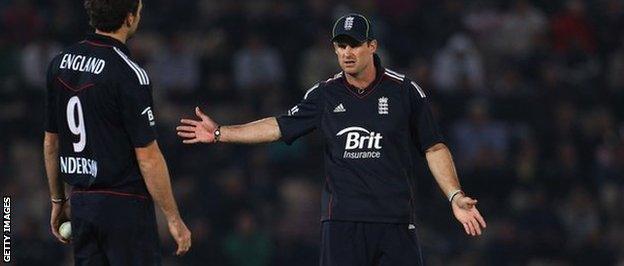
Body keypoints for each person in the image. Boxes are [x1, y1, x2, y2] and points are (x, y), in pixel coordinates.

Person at [177, 13, 485, 265]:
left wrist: (455, 197)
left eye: (354, 45)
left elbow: (434, 146)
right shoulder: (325, 94)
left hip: (395, 221)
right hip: (342, 224)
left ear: (372, 46)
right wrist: (220, 132)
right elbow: (280, 126)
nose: (347, 53)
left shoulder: (404, 91)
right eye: (341, 45)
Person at [43, 0, 191, 264]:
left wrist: (58, 200)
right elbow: (148, 157)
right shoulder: (129, 74)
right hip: (124, 205)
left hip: (81, 203)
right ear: (129, 18)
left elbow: (51, 143)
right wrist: (173, 217)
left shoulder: (59, 63)